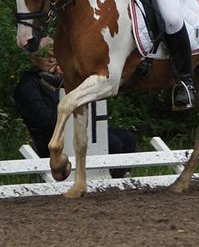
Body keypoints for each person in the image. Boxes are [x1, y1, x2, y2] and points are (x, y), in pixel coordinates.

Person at [12, 42, 138, 178]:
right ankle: (102, 178)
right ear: (34, 59)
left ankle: (117, 179)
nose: (50, 60)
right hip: (51, 137)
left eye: (53, 55)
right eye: (44, 56)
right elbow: (41, 118)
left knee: (128, 138)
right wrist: (70, 119)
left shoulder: (63, 79)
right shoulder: (28, 84)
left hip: (78, 128)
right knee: (114, 143)